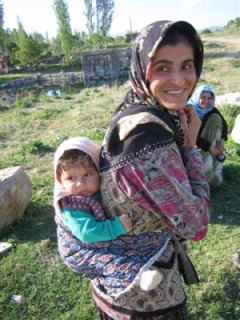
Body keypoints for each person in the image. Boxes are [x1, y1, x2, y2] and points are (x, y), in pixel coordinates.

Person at [55, 20, 211, 320]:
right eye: (163, 68)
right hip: (142, 298)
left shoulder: (138, 106)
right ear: (143, 67)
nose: (179, 80)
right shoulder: (147, 140)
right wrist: (191, 147)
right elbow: (195, 224)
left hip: (122, 284)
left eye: (187, 66)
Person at [54, 136, 166, 297]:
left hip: (97, 237)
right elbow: (87, 233)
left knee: (119, 251)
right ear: (60, 180)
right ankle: (138, 276)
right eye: (71, 178)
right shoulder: (72, 205)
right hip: (80, 249)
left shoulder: (99, 189)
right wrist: (116, 227)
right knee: (107, 261)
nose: (80, 184)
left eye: (87, 175)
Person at [188, 84, 228, 186]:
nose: (206, 101)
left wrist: (222, 142)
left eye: (209, 98)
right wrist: (210, 148)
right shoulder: (189, 109)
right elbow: (192, 135)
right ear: (197, 96)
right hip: (191, 144)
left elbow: (224, 124)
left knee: (216, 118)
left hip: (207, 142)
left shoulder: (210, 109)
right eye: (203, 97)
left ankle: (214, 157)